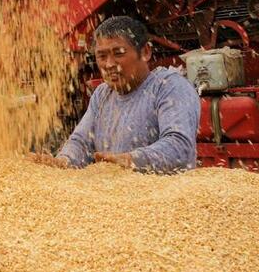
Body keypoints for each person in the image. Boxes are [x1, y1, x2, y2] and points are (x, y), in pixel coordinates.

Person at [31, 16, 200, 173]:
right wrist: (63, 161)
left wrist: (131, 160)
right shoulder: (102, 94)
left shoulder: (168, 86)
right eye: (102, 56)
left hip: (161, 198)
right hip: (114, 198)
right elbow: (81, 142)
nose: (109, 64)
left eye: (118, 53)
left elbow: (179, 147)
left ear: (145, 52)